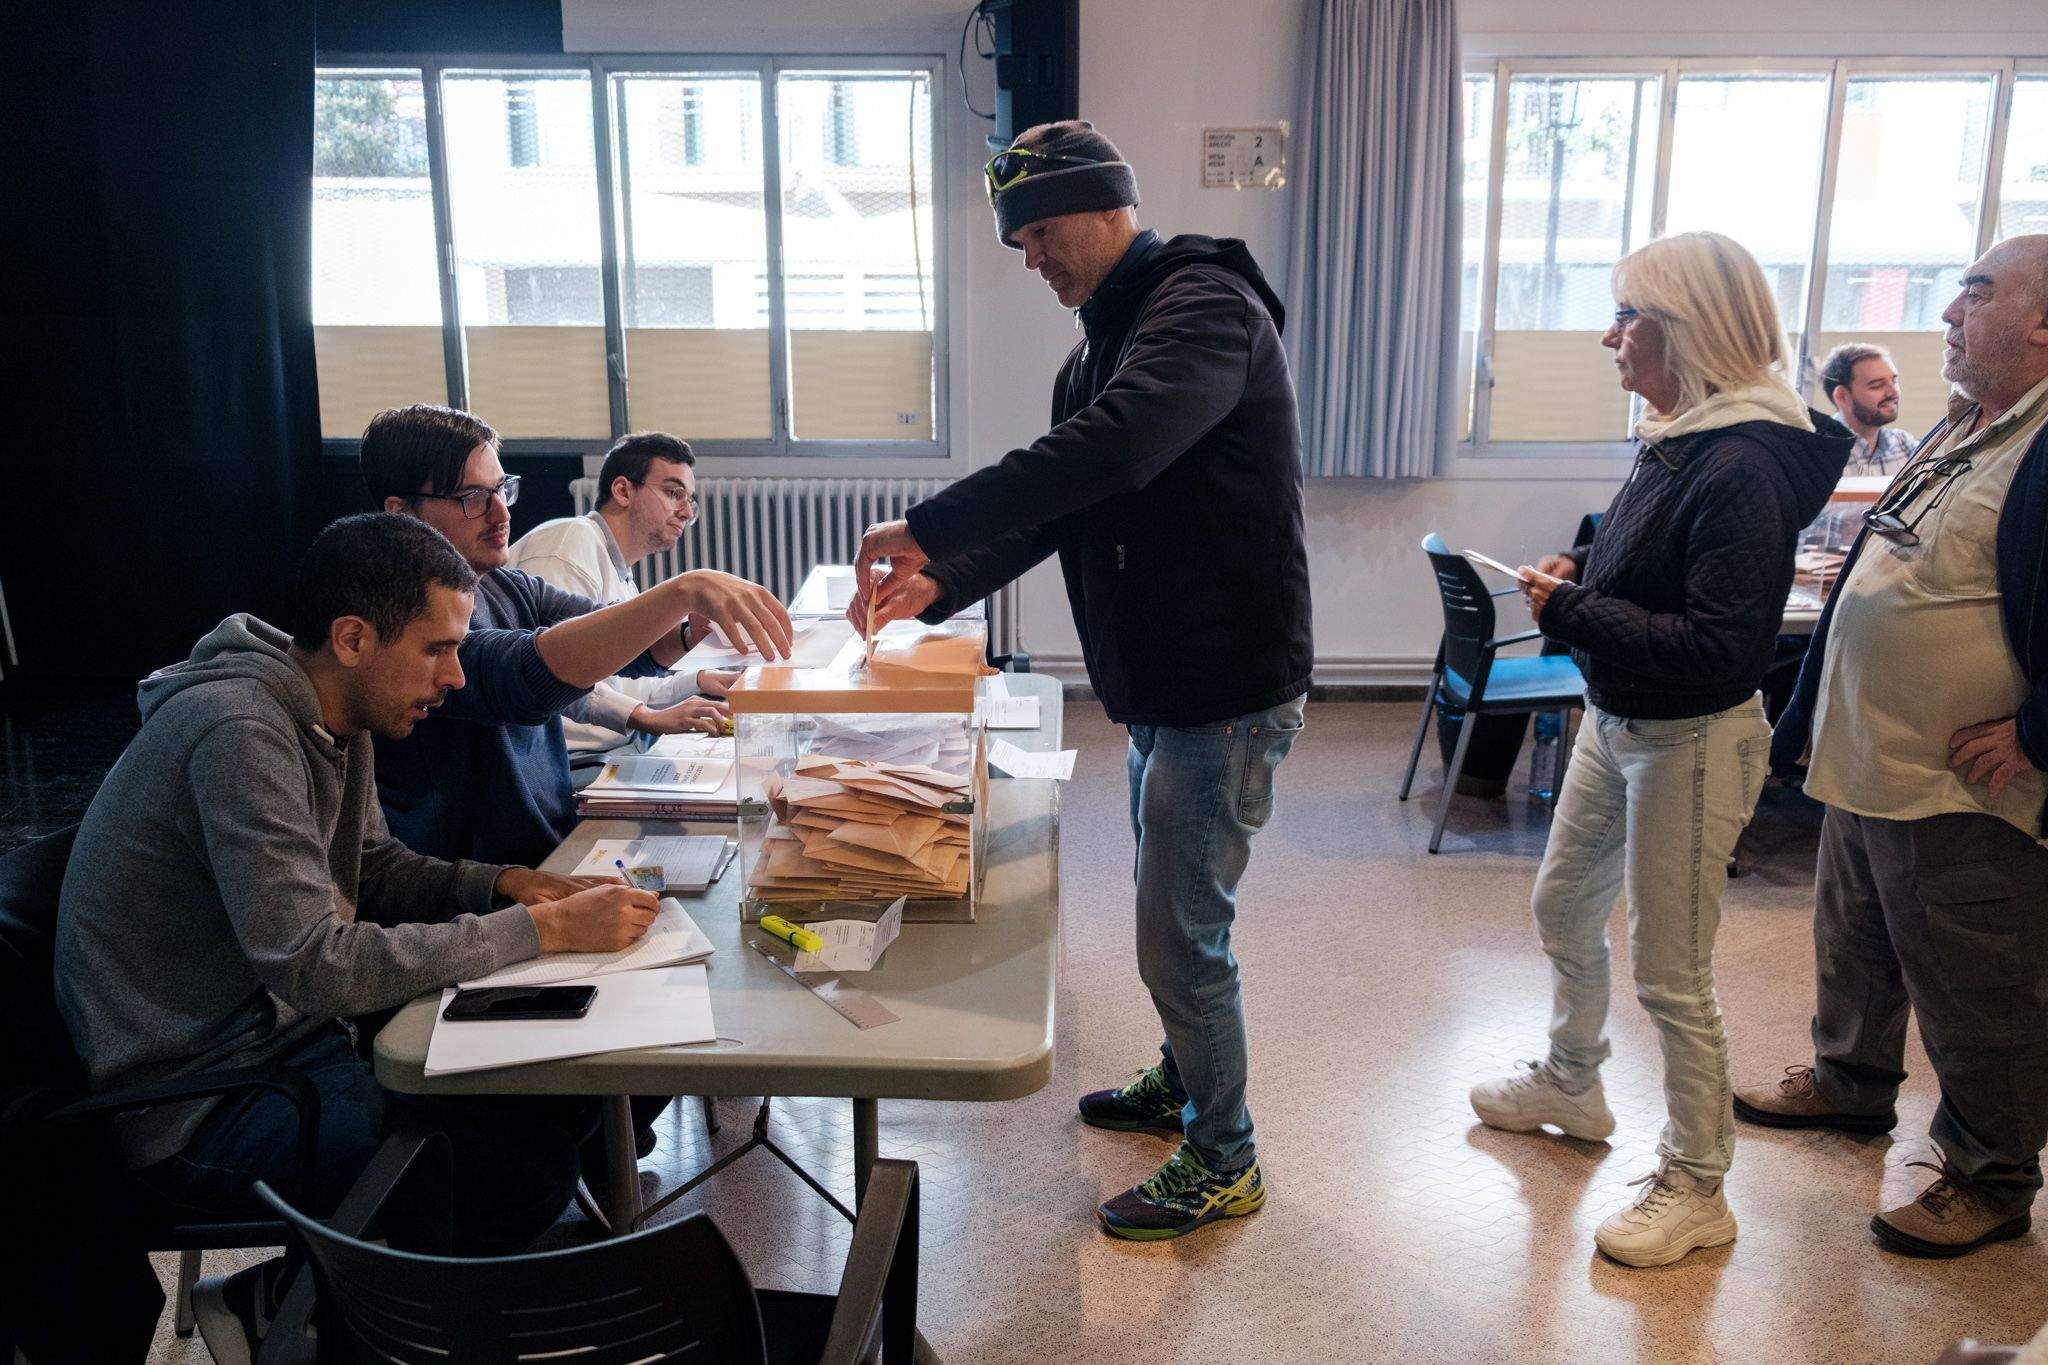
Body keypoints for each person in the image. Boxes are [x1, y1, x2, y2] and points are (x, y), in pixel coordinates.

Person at [848, 120, 1312, 1240]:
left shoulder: (1201, 308)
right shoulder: (1097, 342)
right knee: (1170, 906)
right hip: (1162, 680)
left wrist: (927, 523)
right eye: (1016, 242)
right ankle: (1181, 1079)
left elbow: (1116, 449)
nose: (1030, 258)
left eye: (1040, 231)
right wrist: (941, 582)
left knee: (1179, 933)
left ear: (1108, 207)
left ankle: (1225, 1155)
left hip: (1223, 686)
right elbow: (1071, 503)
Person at [53, 514, 663, 1358]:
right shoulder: (239, 729)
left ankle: (408, 1298)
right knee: (522, 1168)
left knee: (567, 1095)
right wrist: (535, 928)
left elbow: (372, 866)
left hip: (290, 1050)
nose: (455, 676)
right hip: (205, 1104)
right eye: (438, 649)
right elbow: (313, 962)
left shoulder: (336, 712)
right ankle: (291, 1305)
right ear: (352, 637)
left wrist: (503, 884)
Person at [1467, 232, 1851, 1267]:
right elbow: (1653, 565)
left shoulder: (1738, 461)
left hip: (1688, 740)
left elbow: (1717, 645)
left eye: (1625, 317)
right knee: (1560, 906)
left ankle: (1696, 1182)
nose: (1607, 337)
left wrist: (1573, 607)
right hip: (1617, 721)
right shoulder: (1683, 433)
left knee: (1672, 977)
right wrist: (1580, 569)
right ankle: (1570, 1081)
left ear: (1685, 330)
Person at [1739, 234, 2048, 1259]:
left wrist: (2040, 730)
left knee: (1976, 988)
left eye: (1973, 294)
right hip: (1869, 759)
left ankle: (1988, 1172)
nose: (1947, 315)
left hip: (1962, 785)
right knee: (1852, 944)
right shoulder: (1971, 424)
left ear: (2041, 322)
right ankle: (1848, 1083)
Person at [362, 404, 792, 869]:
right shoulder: (402, 616)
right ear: (401, 512)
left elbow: (623, 640)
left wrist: (686, 629)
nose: (501, 512)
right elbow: (528, 674)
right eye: (472, 497)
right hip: (484, 876)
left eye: (502, 489)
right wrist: (685, 590)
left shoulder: (503, 582)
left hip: (546, 840)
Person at [509, 431, 737, 757]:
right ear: (622, 490)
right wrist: (645, 717)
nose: (686, 512)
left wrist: (698, 680)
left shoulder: (622, 576)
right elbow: (554, 673)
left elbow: (624, 685)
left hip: (616, 747)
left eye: (690, 501)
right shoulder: (569, 544)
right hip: (572, 763)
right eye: (674, 493)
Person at [1821, 342, 1917, 476]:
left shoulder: (1904, 445)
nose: (1893, 392)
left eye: (1894, 381)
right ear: (1842, 397)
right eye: (1877, 385)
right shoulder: (1817, 454)